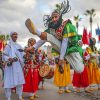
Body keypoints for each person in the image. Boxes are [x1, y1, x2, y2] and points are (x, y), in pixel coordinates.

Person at [25, 0, 85, 74]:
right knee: (50, 37)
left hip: (72, 49)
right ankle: (36, 31)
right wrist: (33, 47)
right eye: (52, 18)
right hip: (61, 48)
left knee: (80, 70)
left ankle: (66, 60)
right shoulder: (52, 28)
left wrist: (61, 58)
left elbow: (65, 43)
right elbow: (43, 39)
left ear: (60, 17)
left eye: (55, 17)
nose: (53, 19)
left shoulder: (67, 26)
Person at [3, 32, 25, 100]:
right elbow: (4, 55)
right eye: (14, 34)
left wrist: (26, 55)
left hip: (18, 66)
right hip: (10, 66)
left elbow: (22, 55)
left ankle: (20, 96)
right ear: (11, 36)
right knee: (8, 81)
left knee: (20, 81)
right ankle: (8, 97)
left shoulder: (19, 46)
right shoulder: (8, 46)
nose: (15, 36)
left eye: (16, 34)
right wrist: (9, 58)